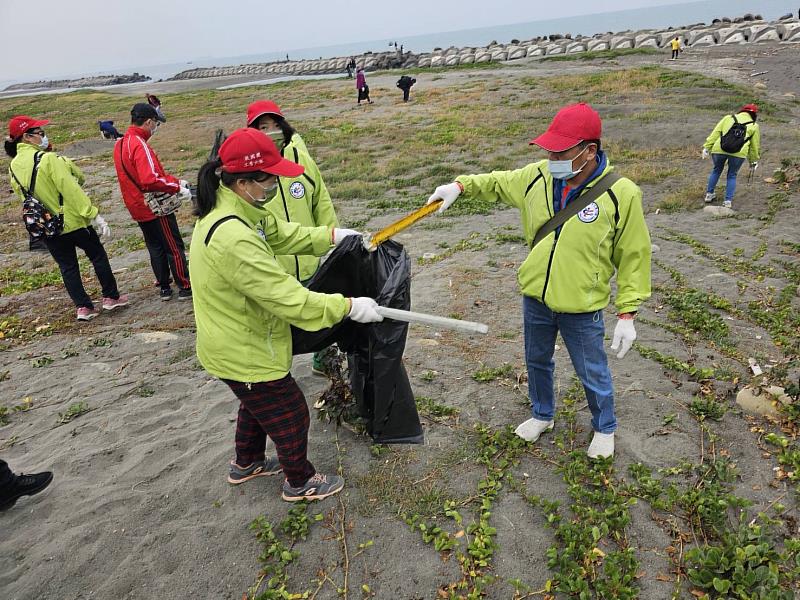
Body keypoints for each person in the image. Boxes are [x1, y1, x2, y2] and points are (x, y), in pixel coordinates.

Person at [426, 103, 652, 459]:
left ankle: (604, 426)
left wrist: (628, 312)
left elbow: (634, 255)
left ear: (589, 150)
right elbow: (498, 182)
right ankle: (542, 414)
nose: (551, 157)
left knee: (591, 370)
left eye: (560, 151)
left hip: (582, 305)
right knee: (536, 359)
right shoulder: (538, 176)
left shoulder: (621, 193)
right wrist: (460, 186)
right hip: (536, 298)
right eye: (548, 149)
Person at [189, 128, 383, 501]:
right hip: (241, 345)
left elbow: (282, 234)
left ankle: (246, 463)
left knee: (256, 401)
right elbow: (289, 298)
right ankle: (299, 481)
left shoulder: (242, 210)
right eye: (270, 178)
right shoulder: (233, 237)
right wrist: (348, 306)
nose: (276, 184)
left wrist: (332, 236)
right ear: (244, 181)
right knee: (290, 410)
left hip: (238, 338)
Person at [247, 100, 340, 376]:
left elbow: (320, 197)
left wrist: (331, 233)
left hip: (309, 256)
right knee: (279, 320)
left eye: (275, 125)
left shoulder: (299, 155)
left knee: (321, 310)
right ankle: (278, 369)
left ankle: (323, 361)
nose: (271, 132)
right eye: (263, 127)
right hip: (276, 262)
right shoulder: (251, 167)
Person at [6, 115, 128, 321]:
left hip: (47, 226)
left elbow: (24, 197)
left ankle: (83, 307)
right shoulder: (48, 159)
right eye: (40, 133)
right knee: (97, 255)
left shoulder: (14, 166)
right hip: (72, 222)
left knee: (67, 266)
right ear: (27, 137)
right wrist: (93, 214)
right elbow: (70, 188)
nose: (43, 137)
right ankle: (110, 297)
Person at [114, 103, 193, 301]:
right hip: (154, 207)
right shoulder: (139, 145)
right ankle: (184, 285)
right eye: (155, 124)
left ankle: (164, 287)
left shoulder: (121, 143)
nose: (155, 128)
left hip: (136, 205)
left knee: (154, 246)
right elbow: (150, 179)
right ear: (149, 122)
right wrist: (176, 187)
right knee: (173, 246)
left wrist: (175, 180)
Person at [702, 103, 761, 209]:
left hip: (719, 149)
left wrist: (707, 147)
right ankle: (727, 201)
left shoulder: (728, 118)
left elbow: (715, 133)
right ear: (754, 115)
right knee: (732, 175)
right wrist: (753, 161)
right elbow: (754, 146)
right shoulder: (754, 126)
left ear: (742, 111)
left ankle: (709, 195)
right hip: (739, 153)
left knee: (716, 170)